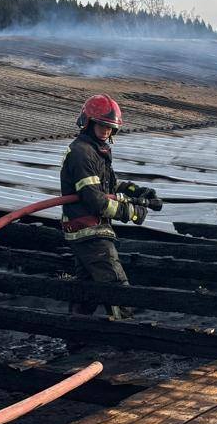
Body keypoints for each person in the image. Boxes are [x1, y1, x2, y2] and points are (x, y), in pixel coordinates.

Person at [60, 94, 158, 320]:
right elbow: (95, 199)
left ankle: (76, 336)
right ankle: (125, 337)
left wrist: (136, 192)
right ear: (89, 122)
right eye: (101, 125)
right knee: (115, 283)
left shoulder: (96, 149)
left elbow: (108, 186)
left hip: (85, 229)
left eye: (110, 127)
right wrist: (131, 212)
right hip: (89, 229)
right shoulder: (81, 153)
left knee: (87, 290)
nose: (106, 131)